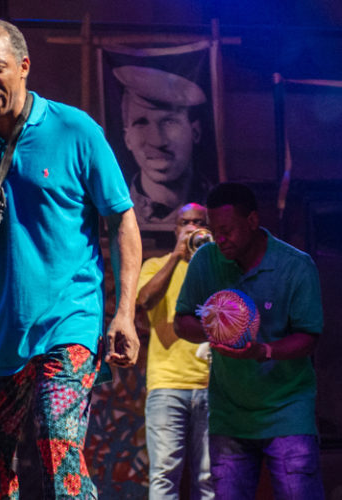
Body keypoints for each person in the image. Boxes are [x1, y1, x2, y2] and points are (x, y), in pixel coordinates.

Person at [0, 19, 143, 499]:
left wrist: (124, 312)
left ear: (24, 67)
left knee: (57, 445)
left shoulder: (74, 129)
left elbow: (123, 221)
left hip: (66, 325)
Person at [173, 183, 325, 500]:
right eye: (215, 231)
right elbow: (182, 321)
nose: (220, 239)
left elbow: (308, 338)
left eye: (227, 230)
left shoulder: (295, 265)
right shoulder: (206, 260)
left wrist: (263, 351)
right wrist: (215, 327)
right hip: (230, 415)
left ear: (253, 221)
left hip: (287, 412)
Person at [135, 203, 214, 500]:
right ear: (176, 229)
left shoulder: (216, 266)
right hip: (167, 384)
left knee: (208, 478)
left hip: (211, 384)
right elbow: (145, 300)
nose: (192, 228)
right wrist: (176, 257)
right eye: (185, 223)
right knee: (164, 475)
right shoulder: (156, 265)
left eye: (199, 222)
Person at [114, 65, 210, 228]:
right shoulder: (117, 208)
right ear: (127, 139)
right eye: (141, 123)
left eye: (169, 122)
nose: (157, 141)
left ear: (195, 132)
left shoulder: (213, 204)